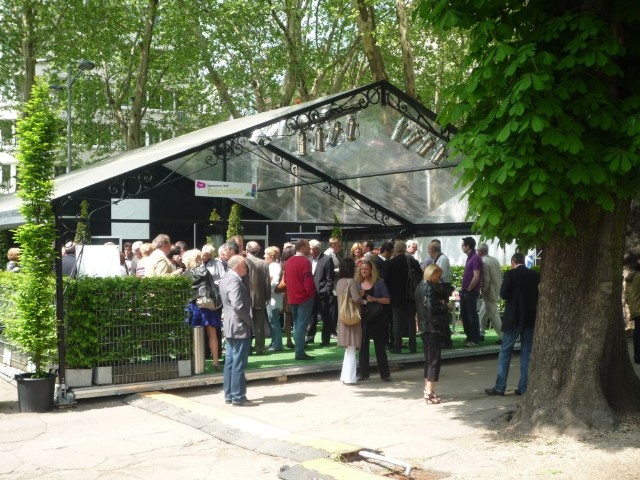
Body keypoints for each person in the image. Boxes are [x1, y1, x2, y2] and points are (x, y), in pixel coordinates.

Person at [485, 252, 540, 396]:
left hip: (513, 317)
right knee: (526, 352)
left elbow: (503, 294)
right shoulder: (534, 275)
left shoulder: (510, 274)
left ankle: (500, 387)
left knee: (505, 352)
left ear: (513, 262)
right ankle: (523, 387)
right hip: (529, 317)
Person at [220, 255, 255, 406]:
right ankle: (238, 396)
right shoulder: (234, 281)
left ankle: (229, 395)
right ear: (237, 267)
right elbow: (238, 305)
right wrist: (249, 321)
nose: (246, 269)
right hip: (239, 325)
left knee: (230, 361)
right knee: (238, 362)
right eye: (244, 266)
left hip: (230, 324)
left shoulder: (225, 278)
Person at [416, 264, 451, 404]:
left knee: (429, 360)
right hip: (433, 327)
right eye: (438, 275)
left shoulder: (420, 286)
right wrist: (445, 306)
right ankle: (429, 392)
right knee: (434, 361)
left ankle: (428, 389)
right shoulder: (429, 288)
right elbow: (432, 308)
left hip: (424, 327)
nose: (439, 278)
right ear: (433, 274)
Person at [183, 249, 222, 370]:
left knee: (193, 336)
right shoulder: (204, 271)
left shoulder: (185, 274)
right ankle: (215, 362)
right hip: (206, 305)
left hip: (192, 306)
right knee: (212, 334)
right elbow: (212, 288)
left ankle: (196, 362)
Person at [356, 259, 391, 382]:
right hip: (363, 318)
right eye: (362, 269)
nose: (363, 271)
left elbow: (387, 300)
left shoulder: (379, 282)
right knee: (363, 345)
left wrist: (375, 299)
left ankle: (385, 374)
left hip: (377, 317)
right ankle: (363, 374)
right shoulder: (358, 283)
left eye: (366, 269)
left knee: (379, 346)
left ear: (371, 270)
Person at [385, 240, 422, 354]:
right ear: (405, 249)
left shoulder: (391, 263)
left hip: (396, 297)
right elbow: (420, 276)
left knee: (397, 321)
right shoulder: (412, 261)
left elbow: (386, 281)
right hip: (410, 296)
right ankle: (412, 347)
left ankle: (397, 347)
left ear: (395, 250)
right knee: (411, 321)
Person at [284, 239, 316, 360]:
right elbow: (308, 281)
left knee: (297, 324)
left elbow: (285, 280)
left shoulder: (289, 261)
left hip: (292, 297)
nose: (309, 248)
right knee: (301, 325)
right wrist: (310, 294)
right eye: (307, 246)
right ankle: (299, 352)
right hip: (304, 298)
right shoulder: (305, 262)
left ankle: (299, 350)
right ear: (302, 247)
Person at [336, 258, 364, 385]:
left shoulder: (339, 282)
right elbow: (356, 299)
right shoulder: (351, 281)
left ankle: (345, 376)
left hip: (342, 317)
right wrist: (364, 300)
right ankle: (350, 378)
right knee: (352, 348)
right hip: (352, 317)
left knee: (348, 349)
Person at [307, 239, 335, 346]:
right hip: (311, 293)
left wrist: (327, 290)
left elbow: (330, 278)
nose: (310, 251)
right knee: (312, 316)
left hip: (323, 293)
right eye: (310, 248)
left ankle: (325, 339)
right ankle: (310, 336)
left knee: (325, 317)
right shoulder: (309, 260)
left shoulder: (327, 259)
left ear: (318, 249)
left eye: (312, 249)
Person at [245, 241, 271, 355]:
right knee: (259, 324)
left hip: (244, 298)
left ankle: (247, 347)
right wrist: (268, 297)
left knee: (245, 323)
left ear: (247, 250)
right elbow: (267, 283)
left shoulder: (242, 261)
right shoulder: (263, 263)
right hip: (259, 297)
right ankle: (259, 348)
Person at [477, 242, 503, 342]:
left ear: (480, 251)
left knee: (493, 313)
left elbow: (486, 279)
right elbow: (500, 275)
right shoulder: (495, 260)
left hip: (489, 291)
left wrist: (483, 290)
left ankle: (502, 336)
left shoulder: (483, 261)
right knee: (483, 312)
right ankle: (481, 332)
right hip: (496, 289)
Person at [460, 236, 482, 346]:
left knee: (471, 315)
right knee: (465, 314)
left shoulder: (475, 258)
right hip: (465, 291)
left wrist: (469, 288)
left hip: (470, 292)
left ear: (468, 246)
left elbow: (476, 276)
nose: (462, 247)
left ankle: (474, 339)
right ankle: (469, 337)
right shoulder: (470, 257)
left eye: (463, 245)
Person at [265, 246, 283, 351]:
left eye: (266, 254)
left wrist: (266, 288)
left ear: (271, 256)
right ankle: (274, 342)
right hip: (271, 297)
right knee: (272, 320)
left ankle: (277, 344)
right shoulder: (272, 265)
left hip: (274, 297)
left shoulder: (275, 266)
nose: (264, 256)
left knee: (274, 320)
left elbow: (275, 282)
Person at [624, 255, 640, 364]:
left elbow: (627, 299)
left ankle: (637, 357)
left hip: (635, 309)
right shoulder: (639, 276)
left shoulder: (629, 280)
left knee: (637, 332)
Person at [280, 244, 296, 349]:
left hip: (285, 292)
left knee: (287, 317)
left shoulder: (281, 264)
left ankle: (289, 339)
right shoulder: (292, 264)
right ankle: (298, 340)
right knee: (297, 317)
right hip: (293, 291)